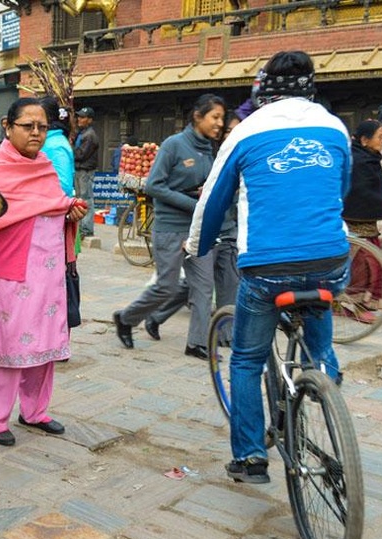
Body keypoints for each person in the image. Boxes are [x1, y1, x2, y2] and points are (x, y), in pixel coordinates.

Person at [185, 50, 351, 484]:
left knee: (245, 359)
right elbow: (342, 188)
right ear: (311, 86)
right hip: (331, 259)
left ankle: (250, 457)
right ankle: (324, 375)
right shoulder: (335, 127)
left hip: (266, 267)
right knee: (321, 302)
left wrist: (194, 247)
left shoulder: (247, 131)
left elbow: (213, 201)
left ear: (263, 91)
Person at [0, 97, 87, 446]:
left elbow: (46, 210)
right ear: (7, 127)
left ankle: (34, 412)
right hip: (9, 277)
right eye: (28, 126)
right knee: (3, 351)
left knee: (43, 348)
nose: (36, 132)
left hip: (48, 278)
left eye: (42, 127)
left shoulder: (46, 166)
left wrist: (68, 214)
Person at [113, 94, 225, 357]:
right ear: (198, 116)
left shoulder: (209, 150)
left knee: (203, 287)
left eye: (221, 117)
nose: (219, 123)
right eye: (215, 117)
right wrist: (192, 203)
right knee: (168, 286)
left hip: (198, 229)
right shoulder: (174, 145)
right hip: (171, 227)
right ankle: (127, 318)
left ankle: (197, 342)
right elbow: (154, 185)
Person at [340, 119, 382, 323]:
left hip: (368, 224)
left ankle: (364, 301)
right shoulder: (357, 162)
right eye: (380, 137)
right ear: (364, 140)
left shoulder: (370, 159)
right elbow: (357, 193)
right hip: (354, 223)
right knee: (361, 264)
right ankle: (352, 305)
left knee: (374, 262)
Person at [40, 96, 81, 334]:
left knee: (57, 283)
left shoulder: (56, 146)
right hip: (45, 225)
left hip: (54, 225)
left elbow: (63, 187)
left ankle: (58, 335)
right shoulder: (49, 141)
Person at [73, 106, 100, 237]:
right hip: (79, 170)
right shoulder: (82, 133)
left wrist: (70, 149)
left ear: (89, 120)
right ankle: (81, 226)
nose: (79, 119)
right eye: (79, 116)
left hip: (85, 171)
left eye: (82, 117)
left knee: (86, 198)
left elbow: (81, 154)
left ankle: (87, 228)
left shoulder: (90, 136)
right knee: (80, 198)